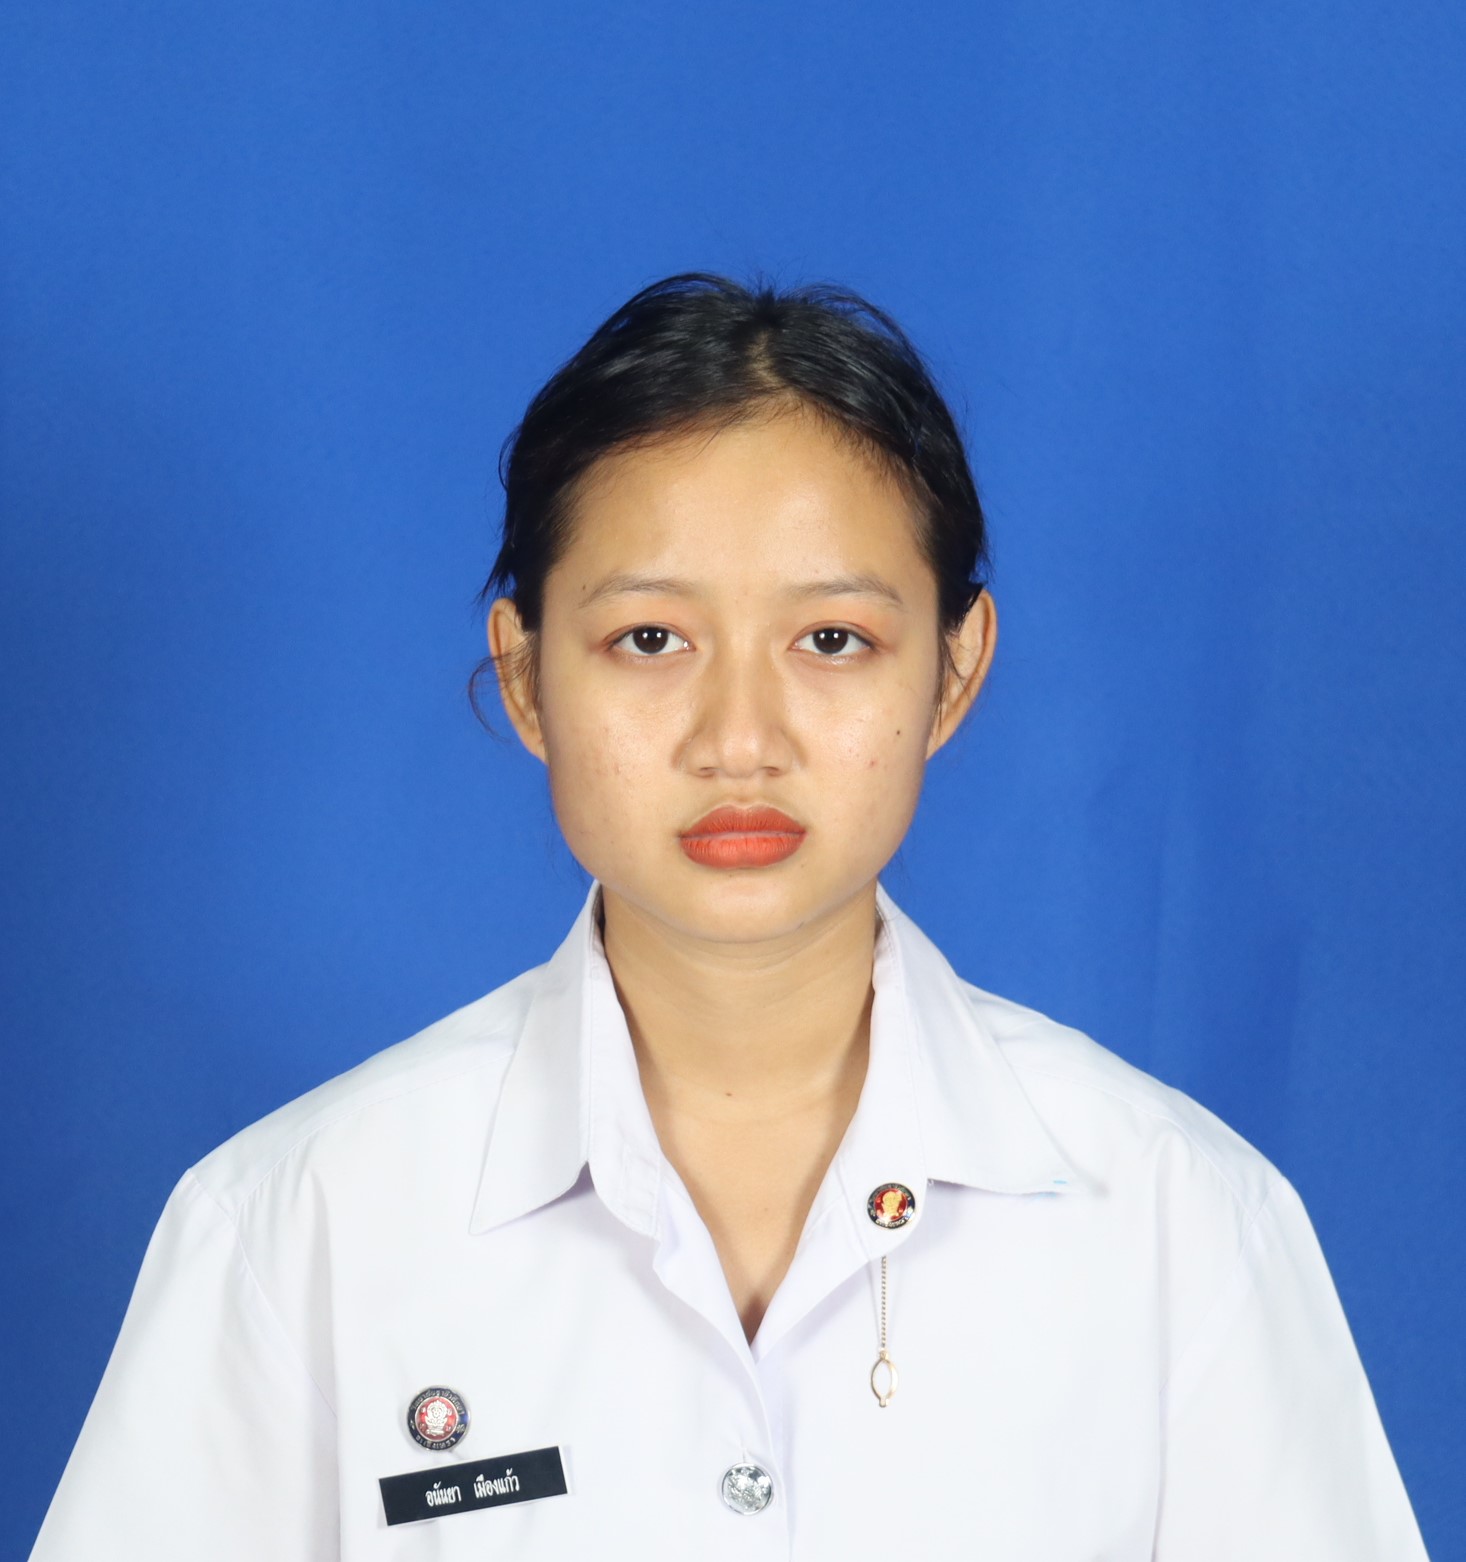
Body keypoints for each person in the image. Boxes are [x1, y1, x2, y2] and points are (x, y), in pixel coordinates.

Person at [29, 274, 1429, 1559]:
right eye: (649, 639)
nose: (740, 738)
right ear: (524, 677)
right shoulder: (297, 1228)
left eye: (833, 640)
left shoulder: (1183, 1226)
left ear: (954, 670)